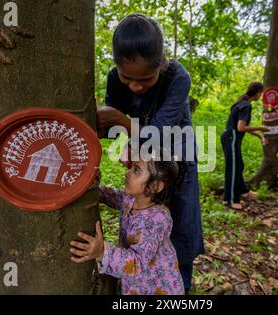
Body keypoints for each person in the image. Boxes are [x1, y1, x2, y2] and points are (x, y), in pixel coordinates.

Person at [96, 14, 204, 293]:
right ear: (117, 67)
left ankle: (181, 286)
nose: (135, 86)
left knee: (179, 222)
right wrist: (120, 133)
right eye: (126, 77)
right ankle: (142, 281)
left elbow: (158, 128)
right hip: (145, 153)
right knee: (140, 213)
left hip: (176, 159)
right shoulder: (112, 79)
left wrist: (122, 123)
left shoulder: (177, 77)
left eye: (145, 78)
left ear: (160, 64)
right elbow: (111, 128)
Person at [70, 154, 186, 295]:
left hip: (157, 287)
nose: (127, 173)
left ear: (155, 186)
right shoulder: (131, 199)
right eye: (132, 167)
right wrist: (92, 186)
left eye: (136, 170)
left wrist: (102, 251)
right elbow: (110, 196)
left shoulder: (157, 219)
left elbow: (137, 263)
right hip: (136, 282)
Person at [221, 82, 269, 211]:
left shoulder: (241, 102)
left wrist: (259, 135)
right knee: (233, 168)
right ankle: (231, 199)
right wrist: (261, 127)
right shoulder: (246, 105)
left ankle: (243, 191)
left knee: (239, 165)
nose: (261, 96)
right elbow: (241, 127)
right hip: (231, 137)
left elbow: (242, 127)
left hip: (231, 137)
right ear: (258, 93)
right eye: (261, 93)